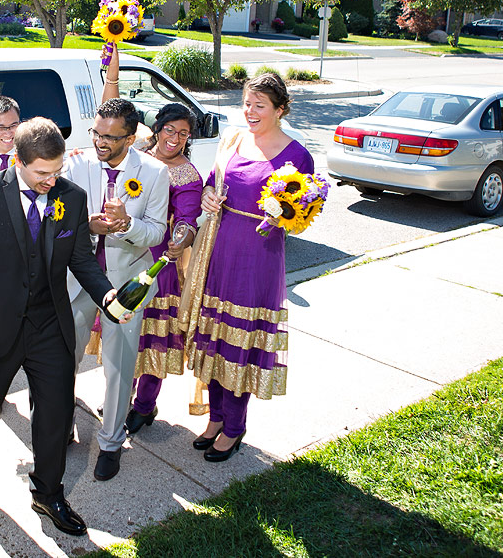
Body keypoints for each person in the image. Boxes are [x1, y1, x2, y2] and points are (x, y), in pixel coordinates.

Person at [0, 117, 118, 537]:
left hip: (49, 324)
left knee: (56, 413)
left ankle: (48, 491)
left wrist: (107, 295)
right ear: (18, 161)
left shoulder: (71, 198)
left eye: (57, 171)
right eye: (42, 173)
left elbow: (79, 258)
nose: (51, 180)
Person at [186, 73, 314, 462]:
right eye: (247, 103)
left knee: (239, 340)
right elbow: (212, 181)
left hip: (258, 254)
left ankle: (235, 427)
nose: (251, 111)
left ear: (279, 109)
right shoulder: (233, 139)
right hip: (219, 247)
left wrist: (285, 217)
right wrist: (208, 195)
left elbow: (305, 211)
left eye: (260, 105)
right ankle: (216, 416)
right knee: (215, 336)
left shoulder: (297, 154)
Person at [96, 46, 202, 436]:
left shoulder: (187, 173)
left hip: (159, 263)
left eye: (184, 133)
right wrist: (113, 65)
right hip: (121, 256)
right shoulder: (134, 152)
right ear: (155, 130)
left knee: (152, 338)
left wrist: (181, 239)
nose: (175, 138)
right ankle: (117, 398)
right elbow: (110, 114)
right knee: (120, 334)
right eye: (170, 129)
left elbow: (188, 219)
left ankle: (144, 404)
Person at [62, 94, 168, 482]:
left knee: (119, 366)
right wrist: (87, 226)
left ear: (131, 136)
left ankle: (110, 442)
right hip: (79, 280)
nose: (100, 142)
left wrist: (127, 226)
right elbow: (59, 220)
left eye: (109, 136)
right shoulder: (77, 164)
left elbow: (157, 232)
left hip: (126, 286)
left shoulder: (155, 173)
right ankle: (60, 427)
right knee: (64, 358)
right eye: (96, 133)